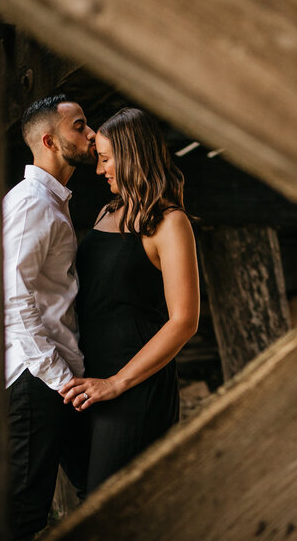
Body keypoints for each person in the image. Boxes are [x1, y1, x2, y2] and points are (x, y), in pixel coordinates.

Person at [58, 107, 200, 492]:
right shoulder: (108, 211)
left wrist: (117, 383)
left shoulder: (170, 223)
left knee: (112, 512)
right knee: (93, 505)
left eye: (105, 159)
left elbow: (185, 321)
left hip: (134, 389)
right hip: (89, 384)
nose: (100, 169)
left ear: (132, 154)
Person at [3, 94, 96, 541]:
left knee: (98, 490)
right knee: (22, 516)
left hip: (56, 377)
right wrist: (59, 379)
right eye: (79, 126)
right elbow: (11, 301)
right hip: (37, 380)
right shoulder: (33, 203)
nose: (91, 133)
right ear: (49, 141)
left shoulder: (52, 200)